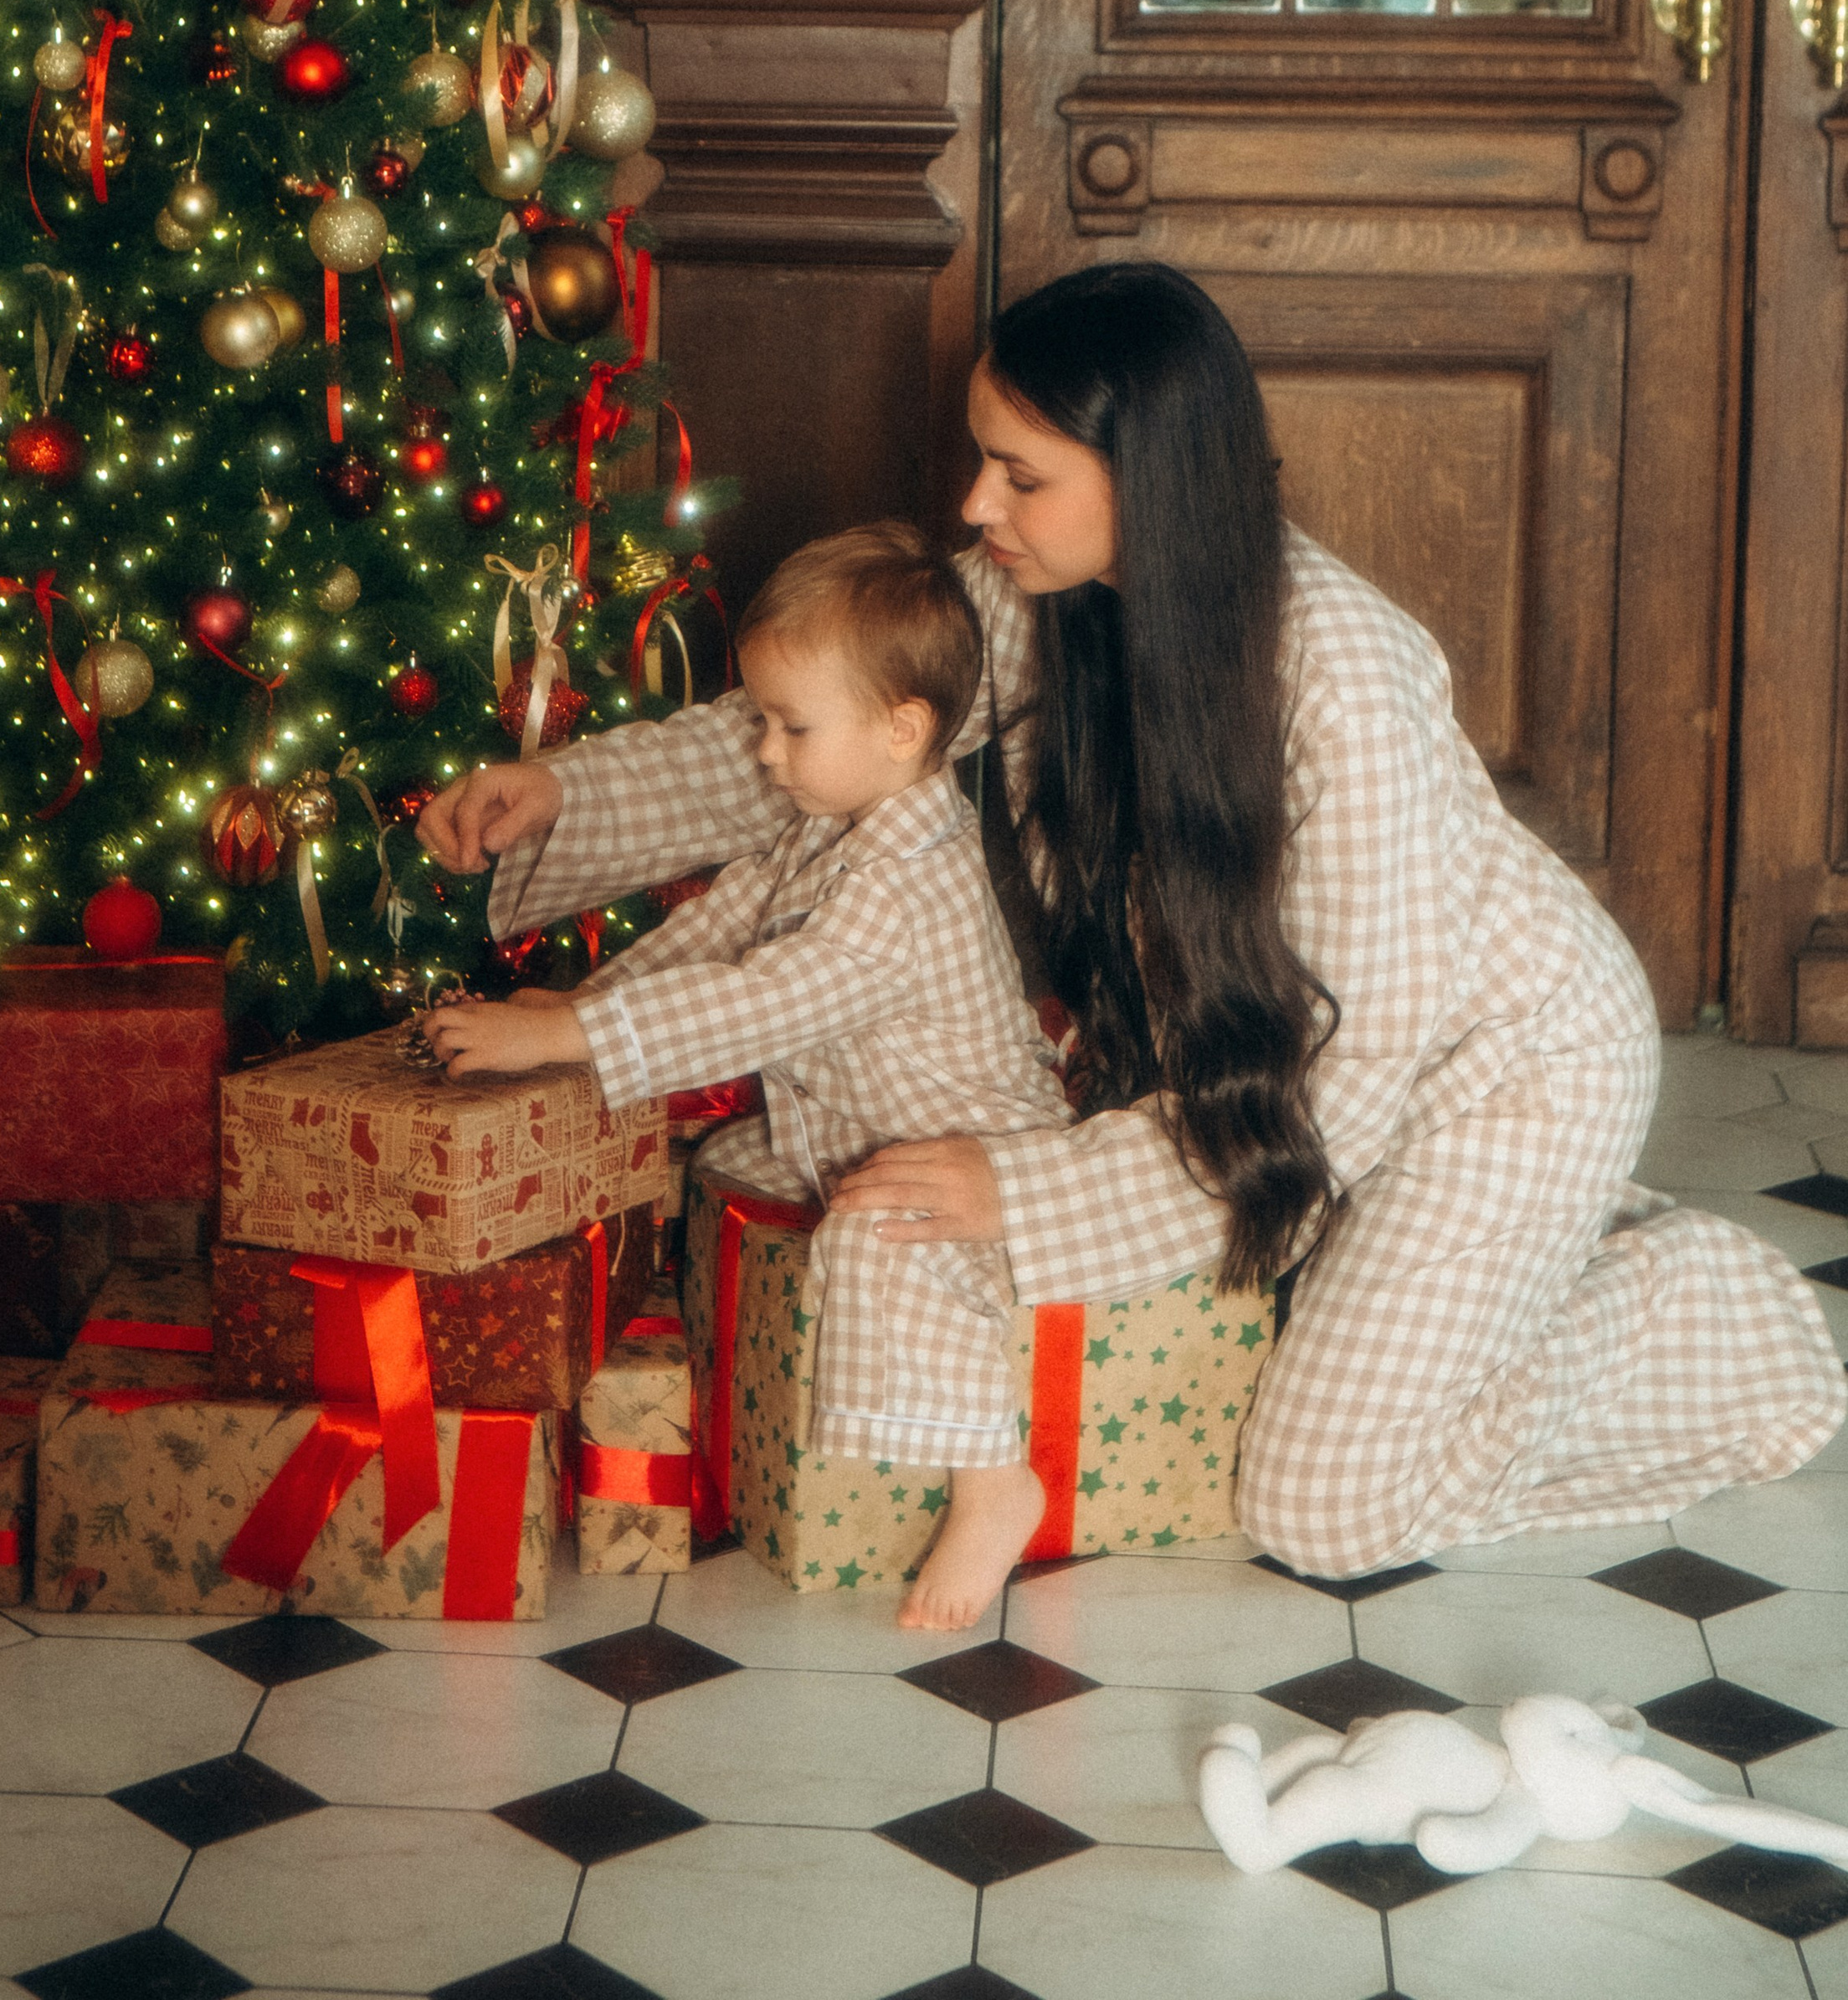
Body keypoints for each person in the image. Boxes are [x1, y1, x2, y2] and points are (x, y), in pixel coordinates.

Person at [424, 263, 1846, 1586]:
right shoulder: (1025, 593)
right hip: (1282, 1088)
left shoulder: (1343, 677)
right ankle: (1494, 1265)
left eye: (1019, 473)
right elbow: (822, 737)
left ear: (1146, 478)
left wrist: (1019, 1194)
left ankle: (1689, 1307)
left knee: (1323, 1509)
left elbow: (1347, 1081)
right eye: (983, 458)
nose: (975, 503)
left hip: (1496, 1076)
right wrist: (558, 793)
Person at [423, 524, 1073, 1630]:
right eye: (763, 721)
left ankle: (993, 1480)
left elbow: (756, 1001)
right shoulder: (835, 830)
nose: (765, 752)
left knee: (884, 1229)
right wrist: (581, 1014)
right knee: (744, 1161)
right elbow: (722, 940)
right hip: (869, 1119)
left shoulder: (906, 884)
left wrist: (560, 1045)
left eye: (790, 727)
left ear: (902, 728)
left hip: (984, 1153)